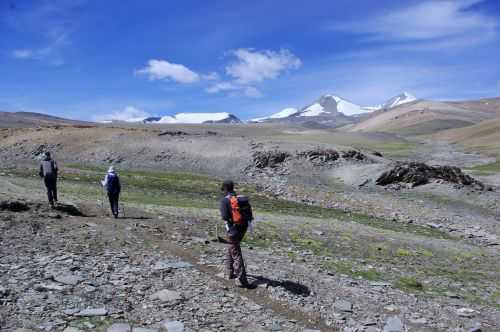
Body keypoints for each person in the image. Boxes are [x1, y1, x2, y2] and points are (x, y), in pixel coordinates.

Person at [220, 180, 253, 287]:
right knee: (232, 247)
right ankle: (229, 272)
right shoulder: (241, 198)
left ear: (225, 188)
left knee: (235, 252)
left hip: (232, 229)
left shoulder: (225, 201)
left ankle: (242, 280)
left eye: (223, 189)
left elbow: (224, 217)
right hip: (243, 227)